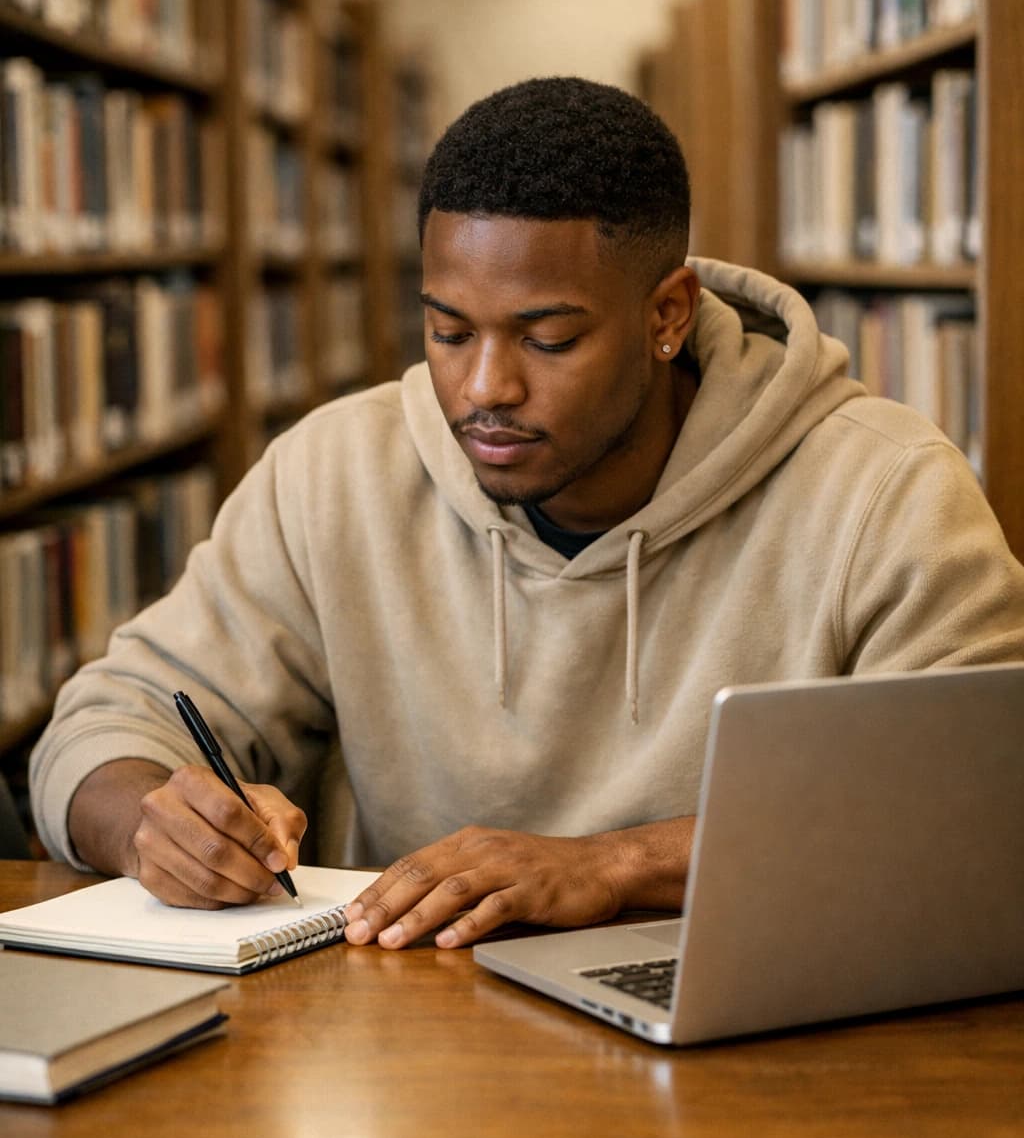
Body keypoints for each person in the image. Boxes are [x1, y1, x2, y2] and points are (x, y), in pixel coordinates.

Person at [30, 76, 1024, 945]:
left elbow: (987, 804)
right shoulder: (334, 471)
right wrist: (150, 819)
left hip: (767, 1042)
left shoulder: (883, 491)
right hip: (411, 1038)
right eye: (448, 332)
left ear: (666, 317)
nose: (482, 389)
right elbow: (108, 724)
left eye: (546, 339)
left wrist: (613, 866)